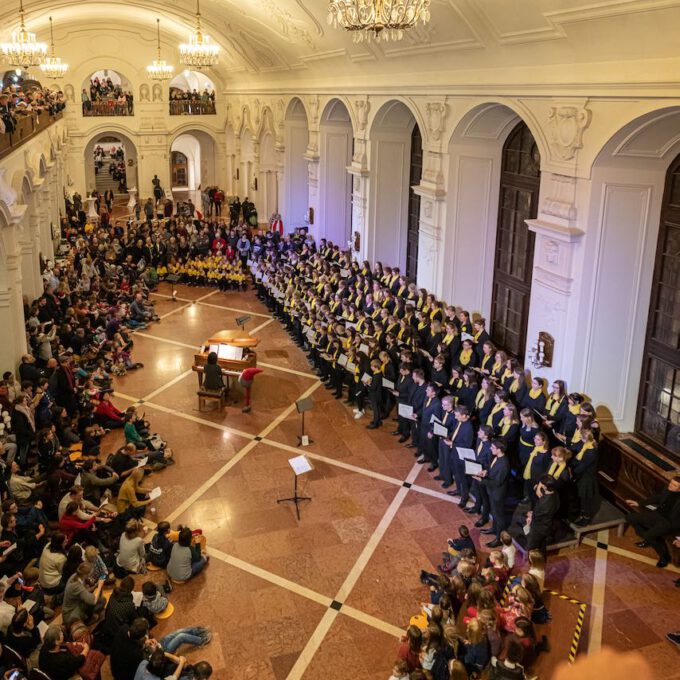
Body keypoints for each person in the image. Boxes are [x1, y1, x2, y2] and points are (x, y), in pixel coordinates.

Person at [625, 476, 680, 568]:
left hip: (669, 523)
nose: (670, 486)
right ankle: (649, 538)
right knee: (630, 517)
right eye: (671, 483)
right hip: (657, 515)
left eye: (674, 485)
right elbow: (658, 498)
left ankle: (665, 557)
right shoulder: (668, 490)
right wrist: (640, 503)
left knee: (649, 535)